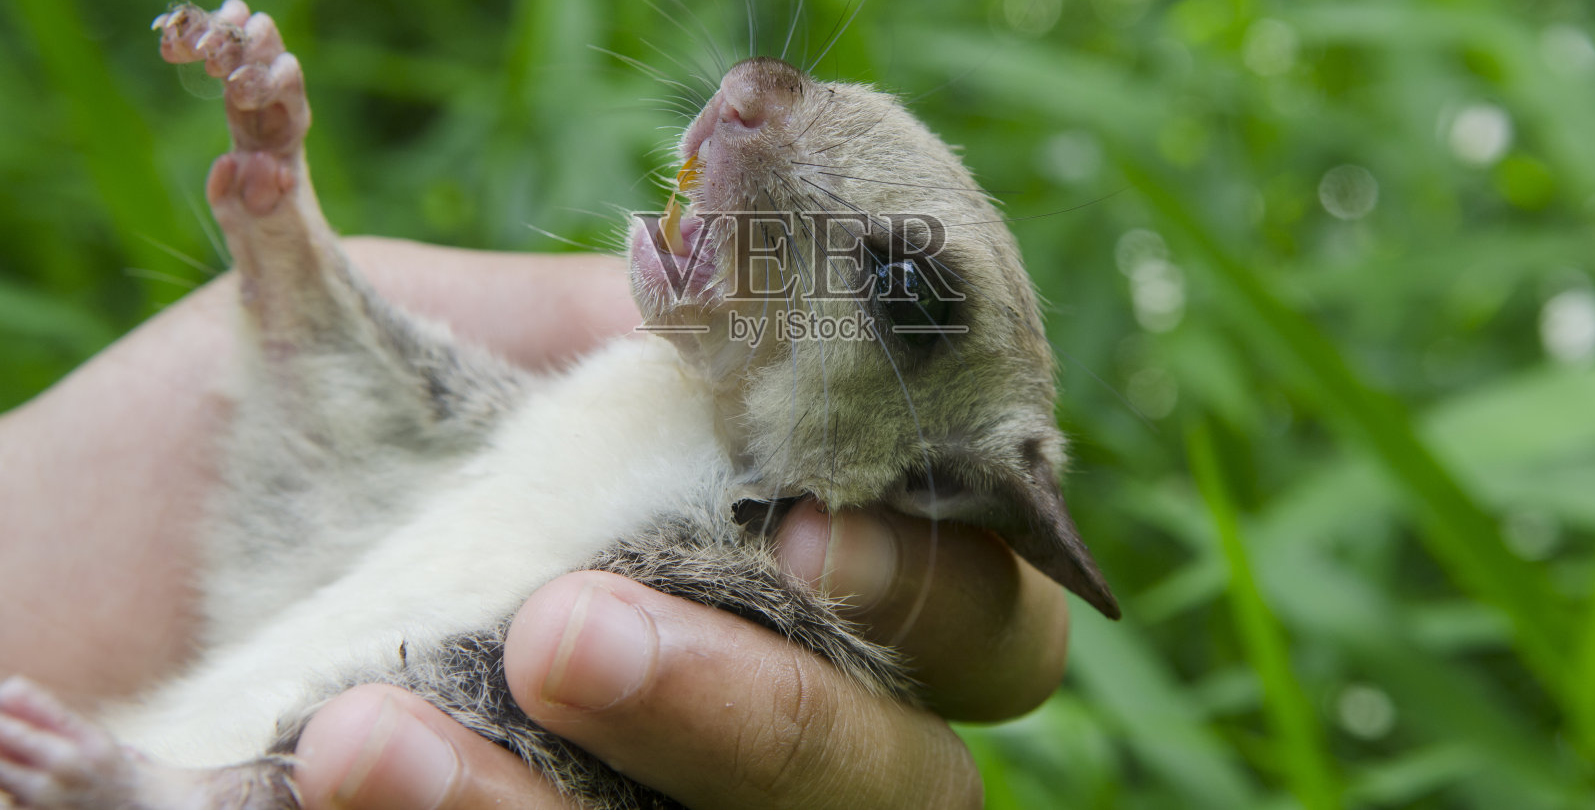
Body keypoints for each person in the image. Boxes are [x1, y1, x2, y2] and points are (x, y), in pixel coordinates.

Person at [0, 239, 1073, 809]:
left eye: (898, 283)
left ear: (933, 474)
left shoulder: (761, 532)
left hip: (139, 762)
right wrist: (284, 243)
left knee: (530, 693)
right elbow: (411, 444)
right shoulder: (646, 385)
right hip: (116, 732)